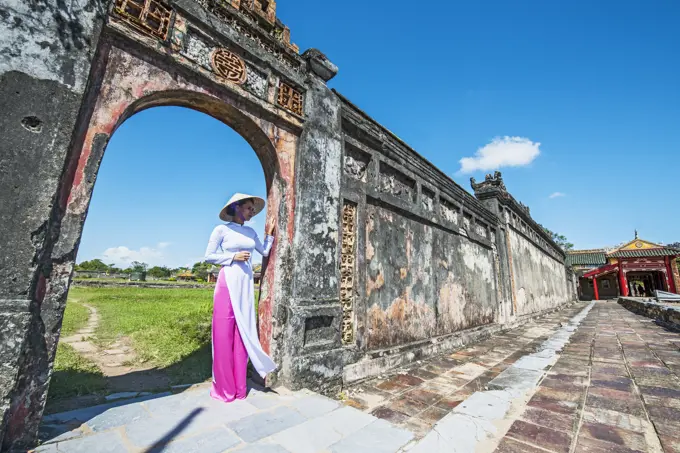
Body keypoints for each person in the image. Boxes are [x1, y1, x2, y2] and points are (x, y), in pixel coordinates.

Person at [204, 193, 277, 402]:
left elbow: (264, 252)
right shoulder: (221, 230)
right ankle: (224, 388)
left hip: (245, 283)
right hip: (228, 280)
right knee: (224, 331)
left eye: (253, 210)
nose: (251, 212)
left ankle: (239, 387)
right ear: (236, 207)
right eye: (248, 208)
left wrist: (270, 235)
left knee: (243, 331)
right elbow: (208, 255)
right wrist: (232, 257)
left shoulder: (251, 232)